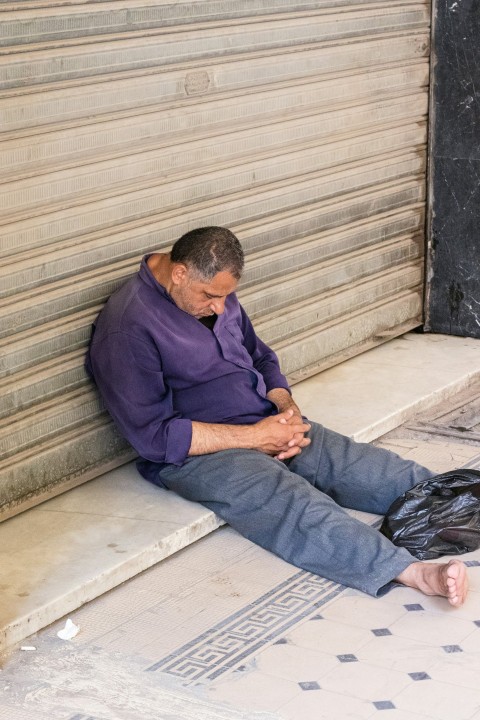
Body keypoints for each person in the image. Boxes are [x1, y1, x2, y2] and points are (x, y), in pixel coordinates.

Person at [86, 226, 468, 606]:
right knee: (295, 505)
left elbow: (262, 358)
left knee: (371, 469)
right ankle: (414, 573)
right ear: (180, 272)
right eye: (211, 297)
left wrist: (287, 411)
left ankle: (469, 504)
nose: (219, 306)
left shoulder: (212, 292)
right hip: (203, 454)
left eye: (226, 296)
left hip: (266, 422)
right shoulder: (127, 327)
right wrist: (254, 438)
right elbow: (154, 438)